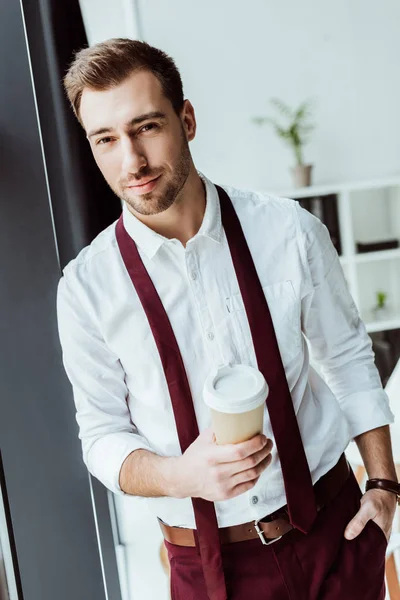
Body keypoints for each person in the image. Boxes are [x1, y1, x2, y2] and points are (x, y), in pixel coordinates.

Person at [57, 38, 399, 600]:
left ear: (186, 119)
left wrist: (384, 485)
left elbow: (347, 358)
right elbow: (99, 436)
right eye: (106, 139)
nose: (132, 162)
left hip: (336, 537)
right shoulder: (86, 289)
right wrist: (180, 476)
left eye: (146, 127)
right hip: (208, 570)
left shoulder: (289, 233)